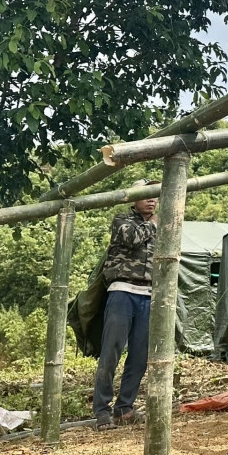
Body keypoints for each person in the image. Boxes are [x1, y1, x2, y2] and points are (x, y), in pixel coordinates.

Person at [93, 183, 159, 429]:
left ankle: (124, 408)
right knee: (111, 352)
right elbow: (131, 239)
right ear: (134, 200)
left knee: (140, 356)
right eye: (145, 197)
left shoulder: (163, 223)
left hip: (149, 294)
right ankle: (102, 410)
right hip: (122, 291)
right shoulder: (123, 220)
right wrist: (153, 224)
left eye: (155, 197)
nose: (151, 200)